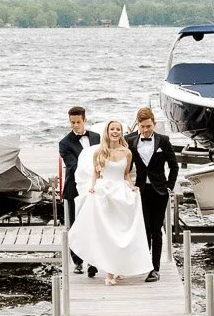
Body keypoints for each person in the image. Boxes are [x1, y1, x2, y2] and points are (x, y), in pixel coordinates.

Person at [68, 120, 151, 284]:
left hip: (121, 192)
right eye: (112, 129)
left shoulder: (127, 153)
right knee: (108, 233)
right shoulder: (99, 152)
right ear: (107, 131)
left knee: (120, 233)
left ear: (121, 132)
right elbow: (96, 173)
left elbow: (126, 174)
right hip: (105, 192)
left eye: (118, 129)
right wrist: (92, 187)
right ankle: (109, 274)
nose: (115, 131)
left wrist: (132, 187)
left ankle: (118, 267)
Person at [128, 106, 179, 282]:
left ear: (154, 124)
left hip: (159, 191)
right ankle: (144, 264)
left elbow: (174, 166)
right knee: (145, 228)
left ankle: (155, 269)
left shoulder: (163, 141)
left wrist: (169, 186)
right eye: (142, 126)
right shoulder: (130, 141)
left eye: (148, 126)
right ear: (138, 125)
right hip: (141, 191)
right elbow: (124, 164)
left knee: (156, 230)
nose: (145, 130)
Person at [57, 107, 100, 275]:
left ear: (84, 120)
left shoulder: (96, 137)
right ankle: (77, 262)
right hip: (74, 188)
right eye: (72, 122)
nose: (75, 125)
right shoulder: (64, 143)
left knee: (95, 224)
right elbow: (74, 165)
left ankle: (93, 261)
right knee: (75, 226)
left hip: (95, 187)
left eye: (78, 122)